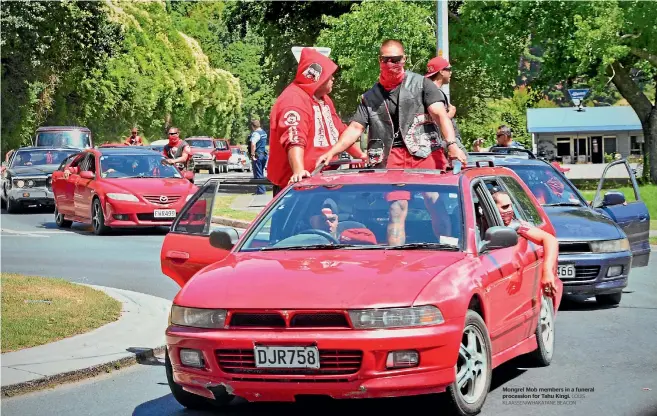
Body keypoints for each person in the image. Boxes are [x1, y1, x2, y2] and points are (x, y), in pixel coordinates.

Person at [316, 39, 467, 245]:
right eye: (386, 60)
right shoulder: (370, 97)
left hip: (425, 151)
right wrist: (332, 152)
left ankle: (449, 247)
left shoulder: (423, 84)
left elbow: (440, 115)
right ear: (379, 61)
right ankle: (397, 260)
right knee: (397, 207)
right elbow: (355, 128)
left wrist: (452, 145)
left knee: (434, 201)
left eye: (395, 60)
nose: (390, 64)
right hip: (391, 155)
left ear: (404, 60)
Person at [267, 47, 366, 197]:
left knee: (331, 219)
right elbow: (294, 138)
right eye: (330, 76)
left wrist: (360, 156)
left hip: (325, 182)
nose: (333, 79)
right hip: (301, 187)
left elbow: (340, 132)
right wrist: (299, 171)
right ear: (316, 78)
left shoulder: (323, 99)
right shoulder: (294, 100)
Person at [491, 189, 558, 296]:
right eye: (504, 207)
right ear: (491, 208)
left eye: (510, 206)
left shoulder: (516, 225)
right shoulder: (476, 225)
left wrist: (547, 272)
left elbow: (550, 240)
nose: (510, 210)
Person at [425, 56, 463, 144]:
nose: (451, 72)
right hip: (447, 141)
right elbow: (433, 120)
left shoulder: (429, 90)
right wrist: (450, 114)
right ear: (441, 71)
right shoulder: (434, 92)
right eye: (449, 69)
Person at [248, 119, 268, 195]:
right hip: (264, 154)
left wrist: (252, 155)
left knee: (258, 173)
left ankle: (261, 190)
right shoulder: (264, 133)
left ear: (253, 126)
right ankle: (261, 189)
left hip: (258, 155)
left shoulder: (256, 133)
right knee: (261, 172)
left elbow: (253, 144)